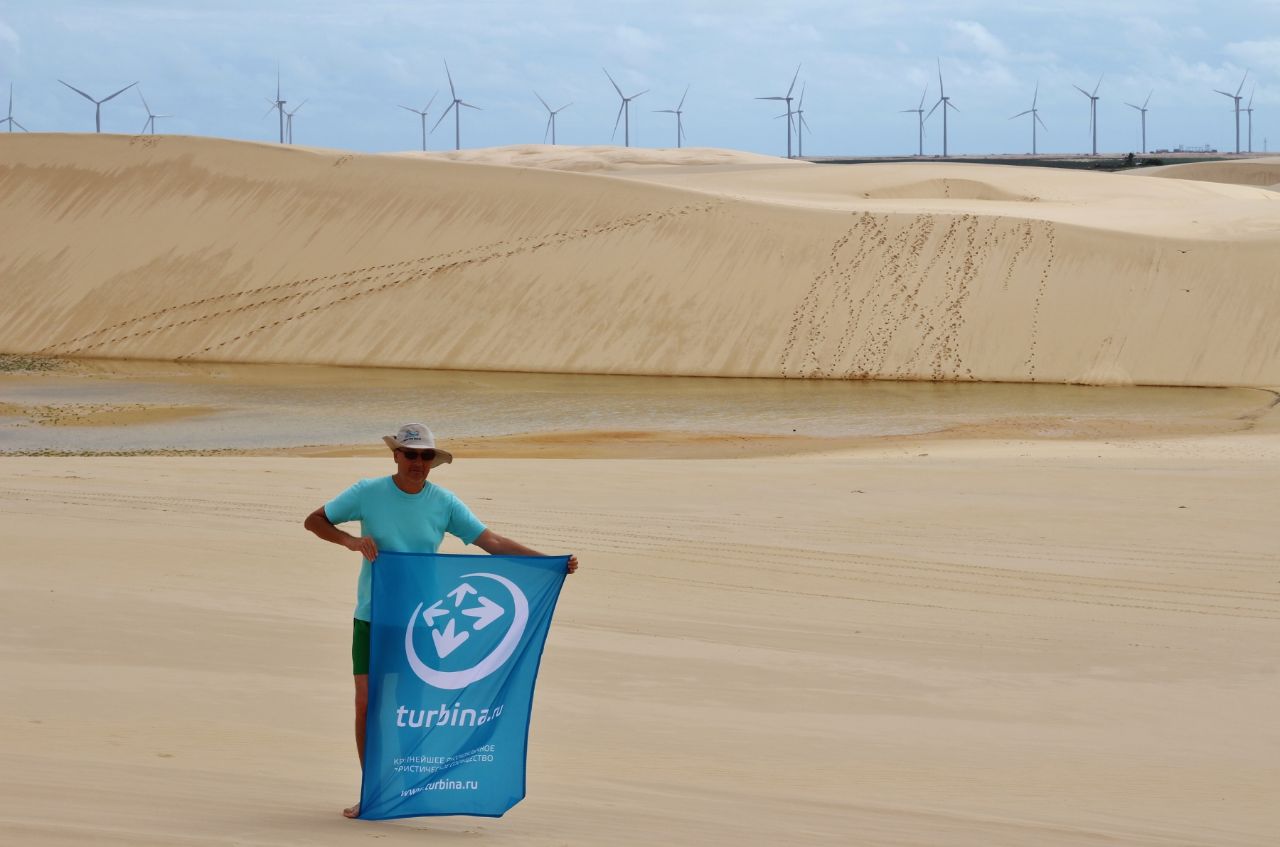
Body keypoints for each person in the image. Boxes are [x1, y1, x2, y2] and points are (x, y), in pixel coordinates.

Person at [304, 422, 579, 818]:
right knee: (367, 704)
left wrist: (548, 563)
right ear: (395, 455)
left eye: (425, 456)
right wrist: (351, 541)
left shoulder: (443, 502)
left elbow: (492, 542)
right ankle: (373, 792)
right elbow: (315, 520)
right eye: (411, 454)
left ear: (433, 461)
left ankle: (406, 786)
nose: (417, 463)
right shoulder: (367, 492)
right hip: (372, 617)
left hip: (421, 622)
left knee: (412, 707)